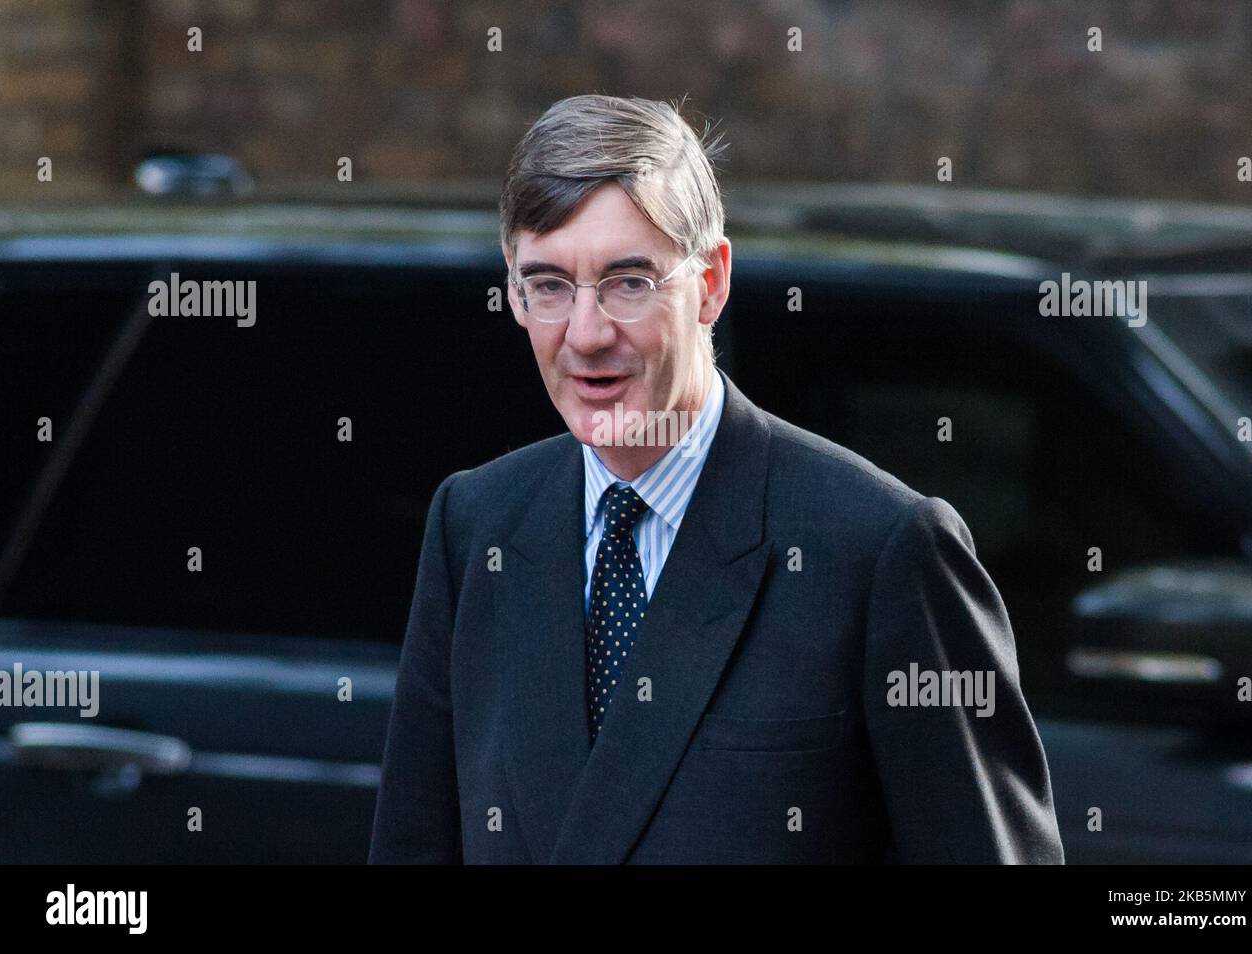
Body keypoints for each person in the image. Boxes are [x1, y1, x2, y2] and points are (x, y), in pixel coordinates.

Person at [369, 94, 1065, 864]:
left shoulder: (880, 549)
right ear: (514, 294)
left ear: (712, 283)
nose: (587, 333)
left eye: (630, 281)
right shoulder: (477, 525)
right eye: (550, 286)